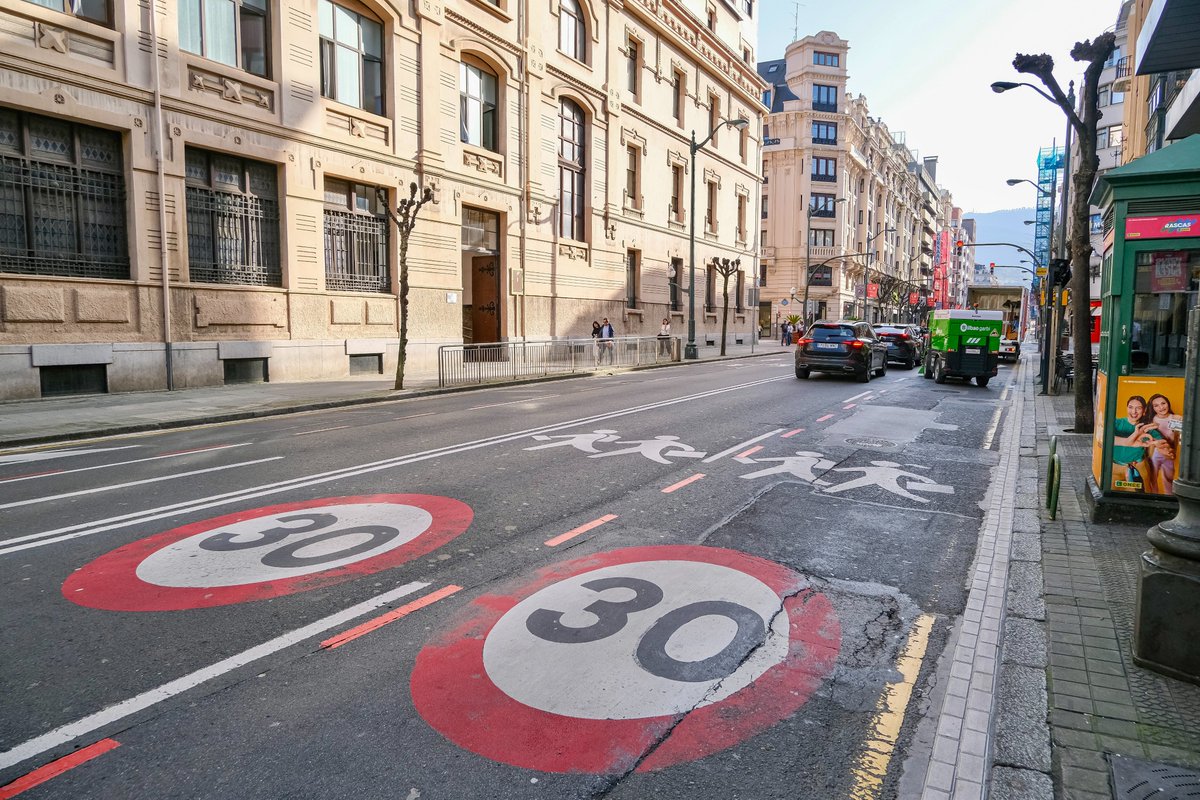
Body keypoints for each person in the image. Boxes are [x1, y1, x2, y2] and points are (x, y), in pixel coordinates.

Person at [1111, 395, 1162, 493]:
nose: (1134, 412)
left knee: (1141, 496)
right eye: (1130, 407)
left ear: (1144, 411)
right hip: (1115, 468)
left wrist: (1159, 444)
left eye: (1138, 408)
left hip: (1138, 468)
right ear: (1127, 408)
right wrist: (1132, 437)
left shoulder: (1146, 428)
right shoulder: (1116, 423)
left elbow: (1160, 441)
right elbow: (1105, 437)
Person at [1147, 393, 1182, 495]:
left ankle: (1168, 500)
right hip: (1155, 453)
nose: (1161, 407)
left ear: (1168, 403)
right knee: (1151, 479)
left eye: (1163, 403)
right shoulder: (1151, 420)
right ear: (1152, 408)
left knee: (1168, 479)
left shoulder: (1176, 418)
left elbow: (1180, 439)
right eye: (1156, 405)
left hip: (1169, 453)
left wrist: (1174, 452)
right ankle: (1154, 499)